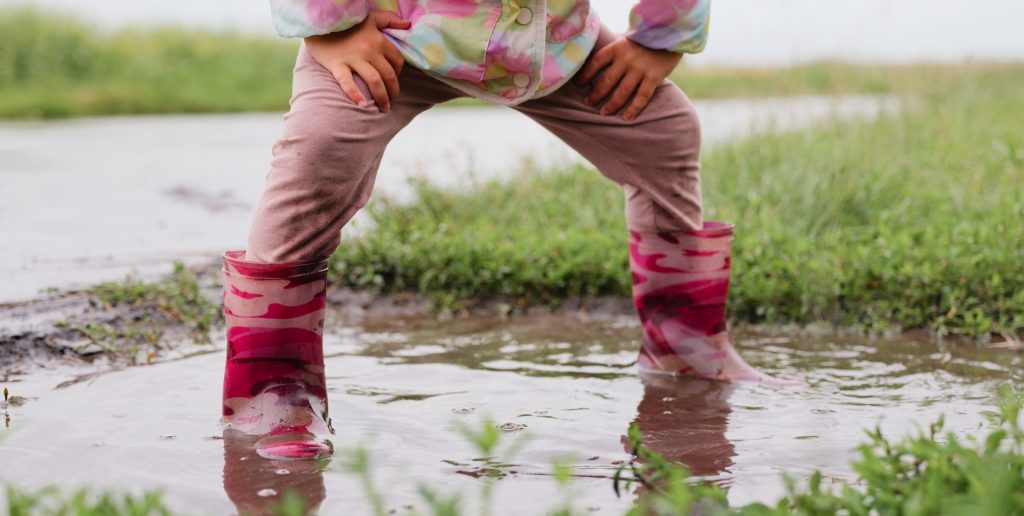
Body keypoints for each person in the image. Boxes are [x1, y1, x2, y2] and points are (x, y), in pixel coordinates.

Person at [220, 0, 792, 461]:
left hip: (553, 46)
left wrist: (657, 38)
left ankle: (685, 346)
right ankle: (272, 388)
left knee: (663, 132)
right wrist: (329, 25)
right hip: (391, 35)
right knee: (319, 151)